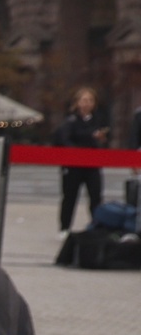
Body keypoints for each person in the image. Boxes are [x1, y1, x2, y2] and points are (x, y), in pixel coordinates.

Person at [53, 87, 109, 230]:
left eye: (90, 100)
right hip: (73, 165)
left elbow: (104, 141)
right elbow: (65, 140)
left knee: (96, 197)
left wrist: (101, 140)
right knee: (70, 197)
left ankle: (96, 226)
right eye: (84, 100)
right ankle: (65, 227)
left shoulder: (98, 119)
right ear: (77, 103)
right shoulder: (70, 121)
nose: (87, 103)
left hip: (92, 165)